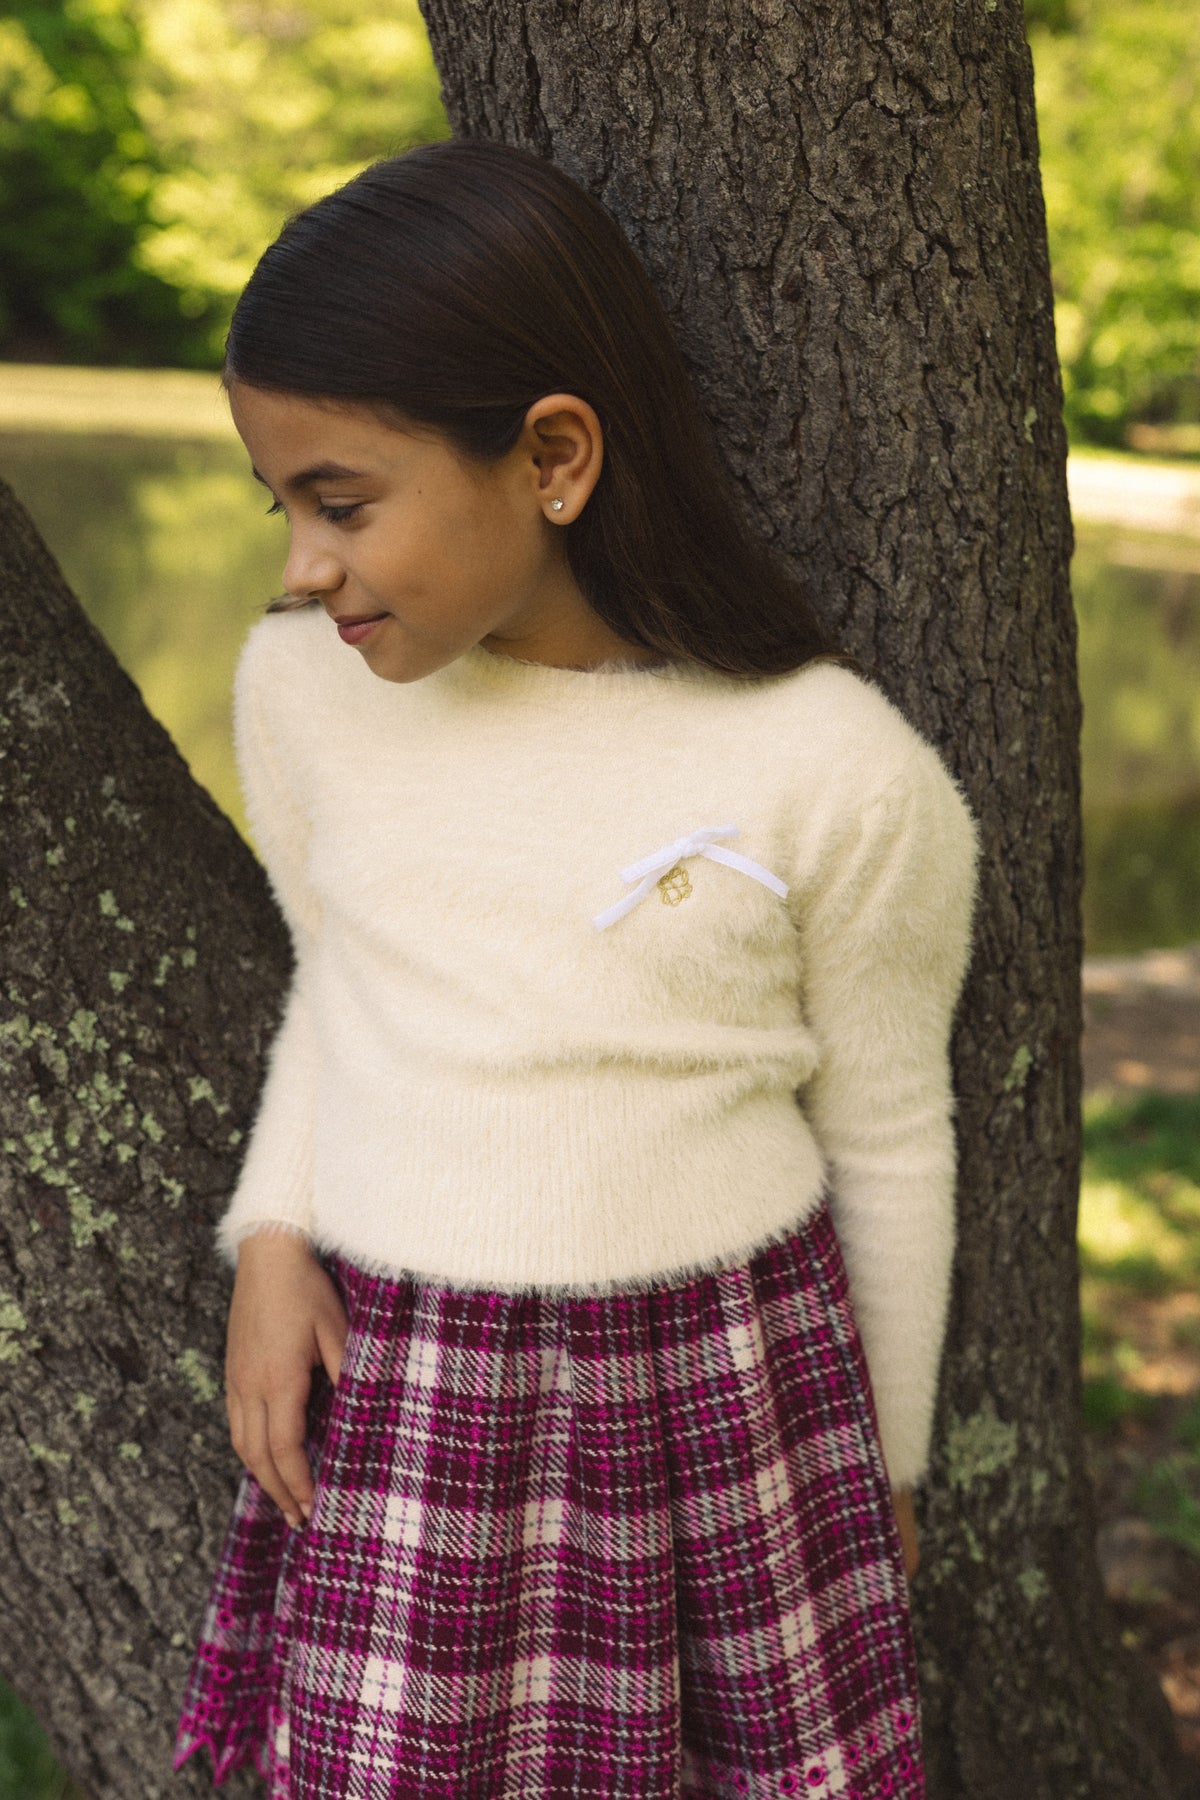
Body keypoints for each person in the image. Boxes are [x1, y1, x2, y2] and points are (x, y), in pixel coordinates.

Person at [173, 136, 980, 1800]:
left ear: (552, 457)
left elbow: (892, 1136)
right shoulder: (303, 694)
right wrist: (272, 1239)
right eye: (283, 506)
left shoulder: (833, 768)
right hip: (413, 1387)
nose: (303, 564)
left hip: (727, 1394)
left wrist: (885, 1467)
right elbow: (343, 989)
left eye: (342, 504)